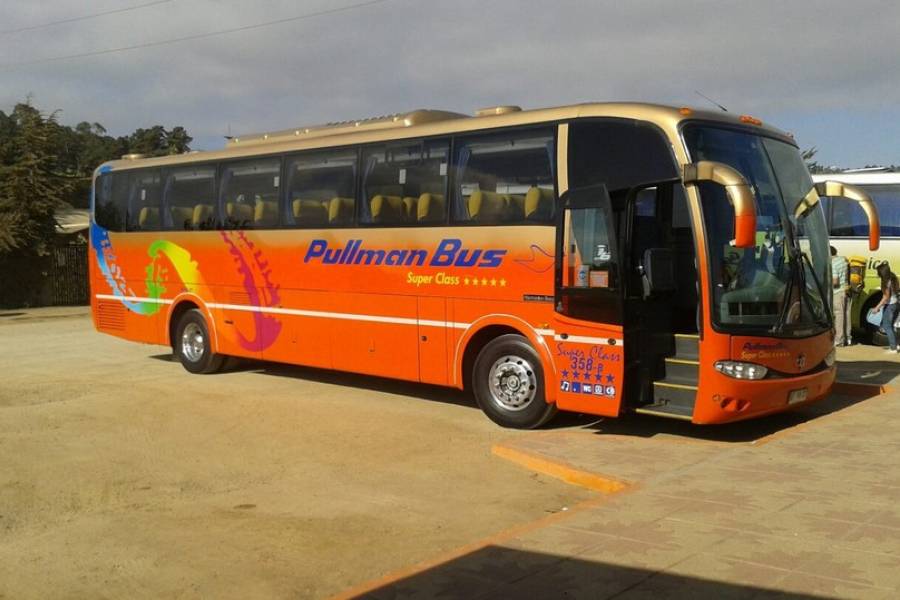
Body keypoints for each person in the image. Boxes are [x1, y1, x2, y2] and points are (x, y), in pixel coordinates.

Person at [873, 262, 899, 353]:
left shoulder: (886, 281)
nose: (877, 274)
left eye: (878, 272)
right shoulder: (893, 277)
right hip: (896, 304)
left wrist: (877, 307)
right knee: (891, 326)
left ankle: (893, 348)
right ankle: (896, 345)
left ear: (882, 273)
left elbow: (886, 297)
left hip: (890, 305)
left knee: (887, 326)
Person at [831, 246, 850, 346]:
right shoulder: (843, 260)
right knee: (846, 315)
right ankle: (848, 338)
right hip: (845, 290)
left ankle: (839, 340)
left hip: (837, 292)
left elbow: (835, 282)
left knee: (838, 316)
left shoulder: (833, 264)